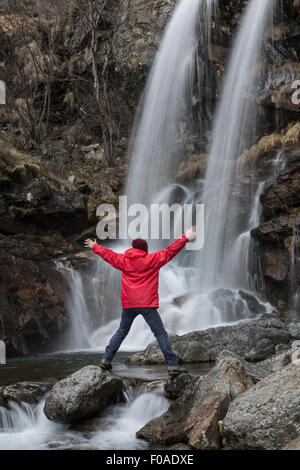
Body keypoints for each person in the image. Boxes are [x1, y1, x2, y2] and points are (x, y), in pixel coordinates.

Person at [84, 226, 197, 375]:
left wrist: (95, 246)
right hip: (147, 304)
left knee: (121, 331)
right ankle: (172, 365)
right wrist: (186, 237)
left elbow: (108, 255)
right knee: (160, 333)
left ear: (132, 248)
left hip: (129, 303)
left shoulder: (123, 260)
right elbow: (170, 251)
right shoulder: (152, 259)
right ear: (145, 249)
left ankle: (106, 360)